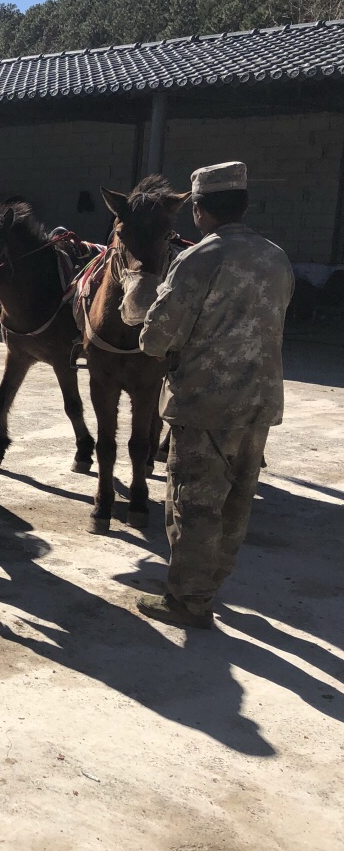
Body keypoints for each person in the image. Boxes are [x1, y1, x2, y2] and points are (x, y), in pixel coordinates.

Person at [136, 161, 294, 629]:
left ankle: (188, 602)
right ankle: (210, 584)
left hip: (206, 405)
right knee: (235, 504)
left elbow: (156, 339)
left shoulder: (201, 258)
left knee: (194, 506)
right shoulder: (275, 256)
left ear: (200, 210)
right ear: (243, 205)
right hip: (259, 403)